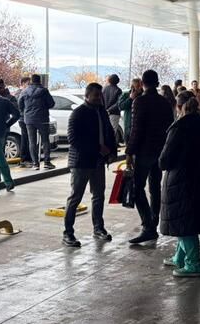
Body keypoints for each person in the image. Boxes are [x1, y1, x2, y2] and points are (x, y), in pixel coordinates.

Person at [159, 90, 200, 278]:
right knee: (185, 220)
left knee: (183, 222)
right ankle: (180, 257)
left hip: (180, 181)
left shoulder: (179, 127)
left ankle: (193, 264)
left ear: (178, 107)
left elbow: (165, 160)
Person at [63, 82, 117, 247]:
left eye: (100, 95)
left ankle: (98, 228)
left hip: (98, 161)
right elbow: (73, 139)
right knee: (75, 197)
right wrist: (98, 148)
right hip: (81, 162)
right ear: (87, 96)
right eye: (96, 96)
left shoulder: (102, 111)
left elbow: (109, 132)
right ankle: (68, 233)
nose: (99, 98)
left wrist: (112, 151)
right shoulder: (78, 113)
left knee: (98, 195)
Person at [125, 69, 175, 245]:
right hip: (160, 150)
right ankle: (153, 222)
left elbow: (136, 130)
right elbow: (170, 127)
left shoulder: (139, 101)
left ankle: (148, 227)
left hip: (144, 151)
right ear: (157, 82)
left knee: (137, 188)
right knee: (155, 187)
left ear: (142, 84)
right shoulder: (164, 102)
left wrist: (129, 152)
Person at [18, 74, 55, 170]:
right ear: (40, 81)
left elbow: (20, 104)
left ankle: (35, 163)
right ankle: (47, 162)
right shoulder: (44, 91)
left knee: (32, 141)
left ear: (31, 81)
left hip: (29, 119)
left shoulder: (24, 91)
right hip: (43, 119)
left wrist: (25, 111)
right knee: (45, 140)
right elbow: (51, 103)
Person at [17, 75, 34, 167]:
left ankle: (27, 158)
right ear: (23, 84)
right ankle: (24, 159)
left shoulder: (26, 92)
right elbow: (19, 106)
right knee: (25, 139)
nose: (30, 85)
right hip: (23, 118)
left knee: (27, 139)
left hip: (27, 118)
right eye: (28, 83)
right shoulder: (20, 93)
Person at [102, 74, 123, 139]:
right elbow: (118, 103)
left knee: (105, 130)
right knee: (113, 131)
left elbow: (101, 101)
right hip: (114, 113)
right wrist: (109, 110)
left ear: (109, 80)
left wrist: (105, 110)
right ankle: (111, 144)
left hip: (104, 113)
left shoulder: (104, 89)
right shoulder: (118, 90)